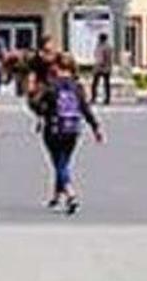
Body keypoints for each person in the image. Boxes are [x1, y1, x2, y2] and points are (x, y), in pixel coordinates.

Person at [31, 56, 103, 213]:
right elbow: (85, 108)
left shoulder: (51, 86)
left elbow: (37, 105)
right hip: (73, 129)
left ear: (57, 67)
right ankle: (57, 196)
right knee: (63, 162)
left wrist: (36, 99)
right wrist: (95, 127)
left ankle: (71, 194)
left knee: (59, 163)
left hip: (54, 128)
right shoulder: (77, 87)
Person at [90, 32, 114, 106]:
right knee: (100, 84)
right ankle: (98, 98)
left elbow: (105, 57)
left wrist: (102, 63)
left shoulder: (104, 47)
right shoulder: (104, 46)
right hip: (102, 67)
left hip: (103, 67)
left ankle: (103, 98)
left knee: (102, 84)